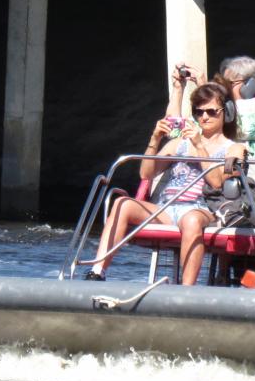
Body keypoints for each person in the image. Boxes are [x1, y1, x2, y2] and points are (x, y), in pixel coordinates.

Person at [87, 80, 245, 286]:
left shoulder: (234, 149)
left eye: (212, 111)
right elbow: (146, 173)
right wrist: (155, 138)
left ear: (227, 113)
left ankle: (185, 289)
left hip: (205, 208)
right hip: (167, 208)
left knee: (191, 221)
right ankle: (97, 271)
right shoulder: (178, 143)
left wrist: (199, 146)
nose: (204, 117)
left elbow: (216, 182)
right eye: (199, 112)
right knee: (122, 204)